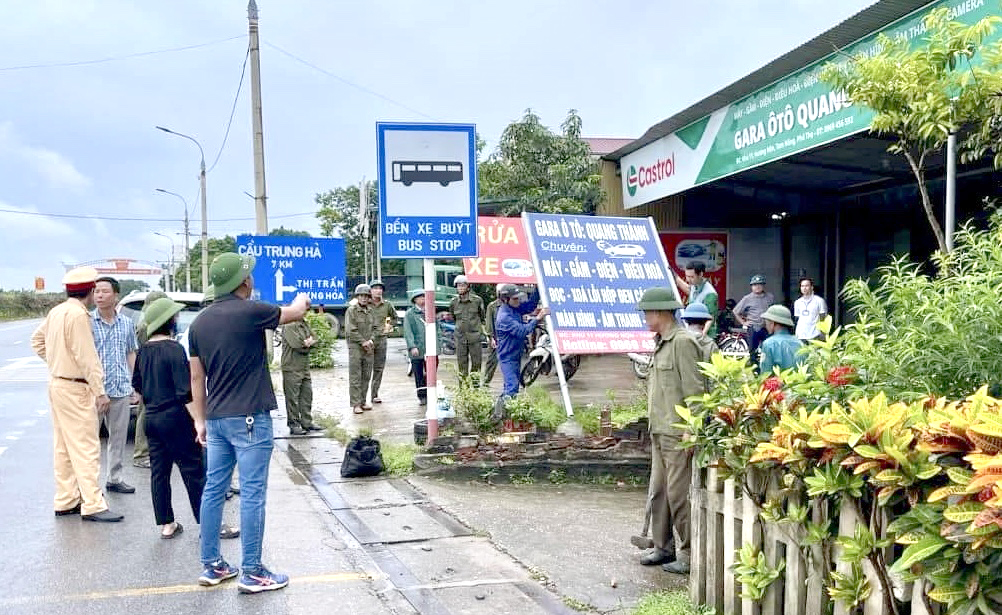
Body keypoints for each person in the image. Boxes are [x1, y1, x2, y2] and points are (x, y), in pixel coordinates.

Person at [187, 252, 310, 593]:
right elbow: (295, 313)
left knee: (213, 490)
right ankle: (252, 571)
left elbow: (196, 378)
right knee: (252, 493)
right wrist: (302, 297)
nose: (252, 278)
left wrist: (200, 420)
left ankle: (212, 565)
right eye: (249, 275)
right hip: (250, 417)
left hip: (216, 418)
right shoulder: (252, 311)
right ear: (243, 282)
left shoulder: (199, 323)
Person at [31, 267, 123, 522]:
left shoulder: (56, 311)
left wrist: (58, 361)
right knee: (86, 446)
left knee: (63, 446)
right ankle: (93, 504)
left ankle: (66, 499)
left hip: (58, 384)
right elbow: (87, 357)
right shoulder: (78, 316)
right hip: (76, 387)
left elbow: (36, 341)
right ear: (91, 291)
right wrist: (100, 391)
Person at [635, 287, 703, 575]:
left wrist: (692, 427)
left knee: (678, 495)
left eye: (647, 312)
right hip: (660, 430)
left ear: (661, 312)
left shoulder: (683, 342)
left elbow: (696, 390)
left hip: (677, 433)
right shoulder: (661, 342)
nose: (645, 318)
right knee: (659, 493)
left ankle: (688, 553)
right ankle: (663, 547)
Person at [132, 298, 205, 539]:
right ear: (170, 321)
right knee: (192, 469)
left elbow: (138, 386)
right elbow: (185, 392)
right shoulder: (174, 349)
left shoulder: (143, 350)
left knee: (159, 472)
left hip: (151, 419)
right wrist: (197, 421)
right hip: (175, 417)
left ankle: (167, 524)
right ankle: (207, 522)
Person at [91, 276, 139, 495]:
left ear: (116, 295)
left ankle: (115, 477)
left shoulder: (126, 323)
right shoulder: (87, 322)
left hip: (120, 388)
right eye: (96, 291)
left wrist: (135, 384)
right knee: (91, 440)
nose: (99, 295)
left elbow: (131, 352)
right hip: (95, 390)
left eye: (104, 291)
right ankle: (90, 485)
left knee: (117, 437)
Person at [132, 290, 168, 469]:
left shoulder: (144, 322)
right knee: (145, 413)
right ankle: (141, 453)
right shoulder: (146, 326)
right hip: (151, 374)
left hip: (150, 373)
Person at [494, 284, 547, 399]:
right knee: (512, 388)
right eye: (515, 298)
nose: (518, 300)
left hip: (515, 356)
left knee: (512, 387)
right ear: (505, 299)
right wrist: (538, 318)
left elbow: (530, 306)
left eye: (518, 297)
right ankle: (500, 413)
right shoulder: (504, 317)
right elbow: (523, 331)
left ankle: (502, 411)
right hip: (507, 358)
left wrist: (538, 287)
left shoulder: (514, 308)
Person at [280, 315, 319, 435]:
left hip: (304, 366)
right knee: (292, 398)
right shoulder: (289, 325)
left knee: (307, 395)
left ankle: (307, 422)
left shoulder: (304, 323)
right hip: (291, 366)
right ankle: (294, 424)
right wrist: (307, 343)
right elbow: (297, 345)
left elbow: (316, 338)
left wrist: (309, 342)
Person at [346, 284, 377, 415]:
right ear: (357, 297)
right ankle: (356, 404)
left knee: (366, 375)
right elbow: (350, 330)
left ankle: (363, 401)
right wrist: (362, 341)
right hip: (355, 347)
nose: (364, 298)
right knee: (355, 376)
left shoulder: (371, 311)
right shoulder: (351, 311)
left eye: (366, 296)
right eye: (361, 296)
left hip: (368, 347)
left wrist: (371, 340)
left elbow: (376, 328)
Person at [448, 275, 485, 380]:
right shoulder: (453, 302)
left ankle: (475, 388)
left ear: (468, 287)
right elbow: (454, 317)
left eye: (463, 285)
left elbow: (481, 316)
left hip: (474, 337)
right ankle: (463, 389)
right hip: (460, 337)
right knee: (462, 365)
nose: (460, 288)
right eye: (458, 286)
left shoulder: (477, 300)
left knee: (476, 363)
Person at [733, 275, 775, 357]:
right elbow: (735, 311)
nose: (757, 287)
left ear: (763, 285)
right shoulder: (747, 298)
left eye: (759, 284)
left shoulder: (770, 297)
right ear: (751, 286)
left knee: (769, 349)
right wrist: (743, 322)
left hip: (767, 327)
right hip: (753, 327)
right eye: (755, 285)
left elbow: (774, 310)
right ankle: (754, 368)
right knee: (752, 350)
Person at [367, 279, 395, 404]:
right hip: (367, 339)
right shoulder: (364, 304)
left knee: (378, 368)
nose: (378, 291)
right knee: (366, 368)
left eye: (380, 288)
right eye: (375, 288)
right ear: (370, 291)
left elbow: (394, 317)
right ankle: (362, 398)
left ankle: (374, 394)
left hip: (381, 339)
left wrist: (389, 326)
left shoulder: (387, 305)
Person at [673, 261, 719, 336]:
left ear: (700, 274)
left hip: (705, 335)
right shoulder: (694, 286)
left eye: (691, 277)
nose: (688, 279)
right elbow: (687, 288)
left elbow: (711, 318)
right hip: (692, 331)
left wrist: (702, 335)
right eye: (687, 276)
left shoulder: (710, 294)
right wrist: (675, 276)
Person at [760, 305, 805, 373]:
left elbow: (766, 373)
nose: (765, 325)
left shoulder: (769, 344)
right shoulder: (800, 343)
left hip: (780, 383)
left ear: (772, 323)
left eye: (766, 322)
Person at [403, 289, 430, 406]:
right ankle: (422, 396)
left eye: (424, 297)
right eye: (420, 297)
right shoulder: (410, 314)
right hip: (417, 348)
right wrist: (412, 346)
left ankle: (431, 394)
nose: (422, 300)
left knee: (430, 372)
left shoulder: (430, 311)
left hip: (429, 348)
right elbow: (408, 332)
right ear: (415, 300)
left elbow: (437, 329)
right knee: (418, 373)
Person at [793, 278, 828, 342]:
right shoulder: (797, 302)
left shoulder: (819, 301)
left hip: (815, 335)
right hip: (801, 335)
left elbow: (823, 318)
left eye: (806, 286)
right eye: (802, 286)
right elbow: (797, 319)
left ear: (812, 287)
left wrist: (823, 334)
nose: (804, 288)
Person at [482, 284, 503, 384]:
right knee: (491, 362)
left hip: (509, 339)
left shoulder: (512, 305)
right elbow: (489, 324)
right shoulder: (492, 306)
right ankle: (486, 382)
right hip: (497, 339)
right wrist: (491, 338)